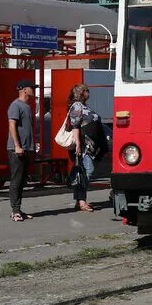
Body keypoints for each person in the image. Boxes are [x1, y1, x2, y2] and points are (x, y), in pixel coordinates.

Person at [65, 83, 100, 212]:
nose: (88, 93)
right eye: (87, 90)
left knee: (82, 172)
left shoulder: (83, 106)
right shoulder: (76, 106)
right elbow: (75, 126)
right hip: (83, 146)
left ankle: (80, 200)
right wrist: (78, 144)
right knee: (87, 170)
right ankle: (81, 201)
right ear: (81, 93)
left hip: (89, 145)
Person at [7, 79, 37, 222]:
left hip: (26, 148)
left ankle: (19, 209)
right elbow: (12, 126)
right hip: (16, 149)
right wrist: (17, 146)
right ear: (25, 90)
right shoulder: (15, 105)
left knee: (22, 180)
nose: (34, 90)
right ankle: (15, 211)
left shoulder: (27, 106)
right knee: (16, 180)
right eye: (32, 88)